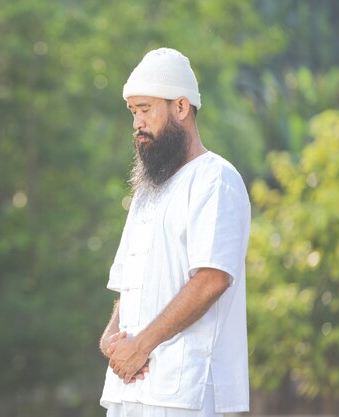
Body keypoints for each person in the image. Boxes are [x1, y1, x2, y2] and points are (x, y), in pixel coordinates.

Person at [98, 48, 251, 417]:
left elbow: (211, 278)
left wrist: (142, 345)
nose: (137, 122)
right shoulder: (147, 191)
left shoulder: (215, 179)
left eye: (146, 109)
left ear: (181, 108)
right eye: (133, 112)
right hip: (130, 389)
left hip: (187, 392)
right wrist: (110, 337)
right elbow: (131, 285)